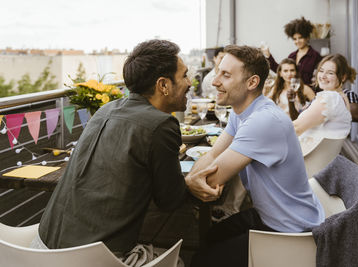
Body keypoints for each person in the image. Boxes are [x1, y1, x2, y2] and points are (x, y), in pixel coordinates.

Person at [35, 39, 220, 265]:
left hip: (41, 248)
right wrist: (189, 182)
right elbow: (169, 201)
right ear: (163, 85)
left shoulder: (105, 110)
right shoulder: (161, 125)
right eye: (184, 76)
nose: (190, 82)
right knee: (179, 261)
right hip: (91, 260)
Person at [185, 45, 325, 267]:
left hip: (290, 230)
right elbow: (212, 154)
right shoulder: (242, 110)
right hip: (270, 214)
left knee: (200, 261)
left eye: (226, 75)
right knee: (209, 237)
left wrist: (190, 181)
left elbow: (210, 180)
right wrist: (192, 181)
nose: (214, 81)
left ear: (251, 83)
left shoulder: (263, 121)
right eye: (218, 72)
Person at [293, 54, 355, 155]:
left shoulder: (329, 98)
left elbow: (296, 128)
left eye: (330, 73)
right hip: (317, 155)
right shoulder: (341, 97)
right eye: (321, 71)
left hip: (307, 158)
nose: (323, 76)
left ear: (343, 77)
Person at [263, 17, 322, 87]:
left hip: (308, 93)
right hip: (292, 92)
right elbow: (280, 71)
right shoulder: (292, 56)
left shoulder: (315, 56)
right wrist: (268, 55)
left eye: (300, 38)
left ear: (307, 37)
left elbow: (319, 77)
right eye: (295, 39)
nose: (297, 41)